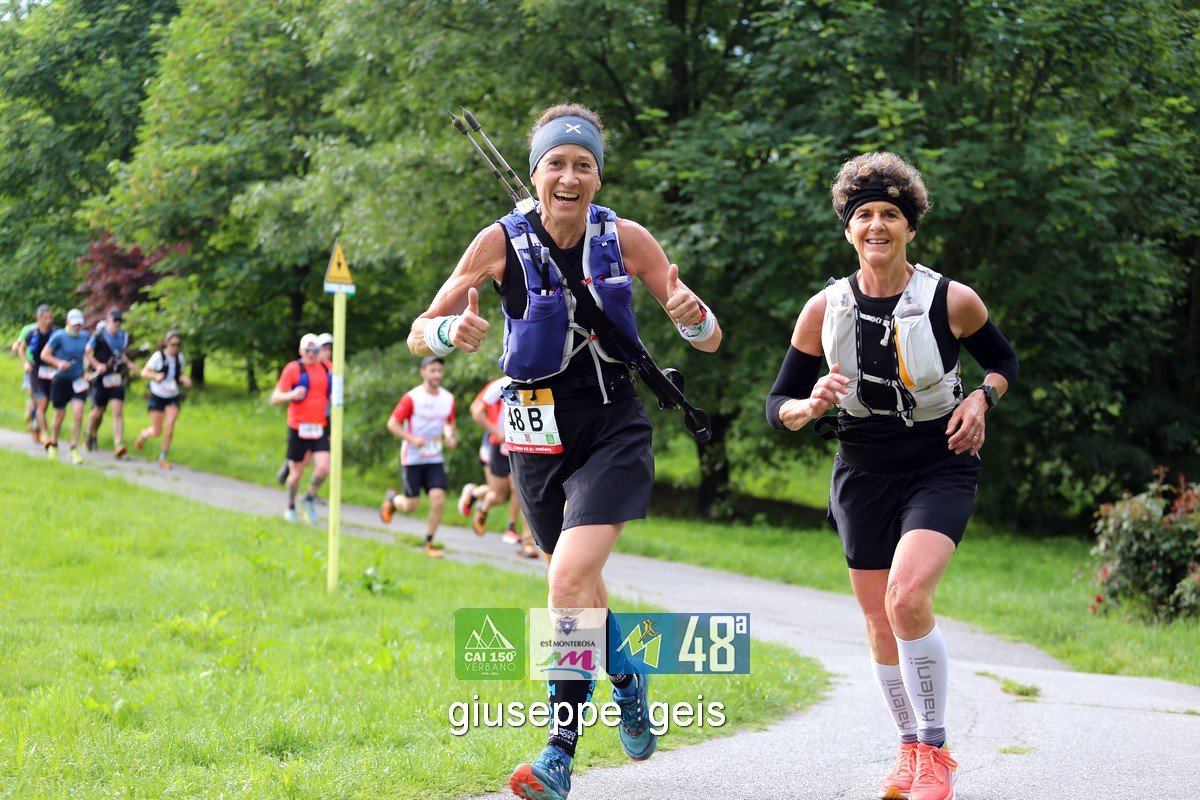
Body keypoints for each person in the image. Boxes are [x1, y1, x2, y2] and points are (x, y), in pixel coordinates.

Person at [406, 104, 721, 800]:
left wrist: (693, 317)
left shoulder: (626, 238)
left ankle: (558, 752)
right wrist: (449, 335)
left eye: (584, 165)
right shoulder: (499, 242)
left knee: (565, 581)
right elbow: (419, 331)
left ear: (598, 177)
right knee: (577, 585)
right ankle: (628, 678)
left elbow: (708, 338)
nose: (570, 177)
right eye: (557, 164)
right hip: (534, 434)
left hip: (612, 425)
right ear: (536, 173)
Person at [765, 152, 1019, 800]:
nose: (877, 225)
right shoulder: (822, 309)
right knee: (880, 621)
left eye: (890, 214)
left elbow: (1003, 362)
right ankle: (907, 750)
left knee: (905, 598)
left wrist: (981, 398)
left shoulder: (951, 300)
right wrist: (809, 406)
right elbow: (778, 405)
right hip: (862, 470)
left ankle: (935, 752)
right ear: (848, 228)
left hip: (940, 463)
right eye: (865, 215)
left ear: (910, 226)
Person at [378, 356, 458, 558]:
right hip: (413, 457)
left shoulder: (448, 399)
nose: (437, 375)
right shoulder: (412, 398)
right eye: (432, 371)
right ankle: (393, 500)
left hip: (434, 457)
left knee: (438, 500)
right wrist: (412, 438)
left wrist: (449, 436)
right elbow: (392, 424)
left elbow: (449, 422)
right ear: (423, 372)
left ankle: (428, 542)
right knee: (410, 505)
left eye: (439, 371)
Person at [457, 375, 540, 559]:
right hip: (499, 445)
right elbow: (476, 410)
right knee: (499, 495)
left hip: (523, 444)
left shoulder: (541, 380)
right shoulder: (501, 384)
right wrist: (496, 432)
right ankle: (477, 498)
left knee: (522, 490)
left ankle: (526, 540)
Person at [269, 333, 332, 524]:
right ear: (301, 351)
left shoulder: (326, 368)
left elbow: (333, 391)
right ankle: (290, 505)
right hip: (298, 427)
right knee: (296, 474)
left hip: (319, 426)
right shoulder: (293, 369)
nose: (311, 354)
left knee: (324, 467)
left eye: (315, 350)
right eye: (308, 350)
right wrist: (292, 395)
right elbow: (275, 397)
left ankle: (309, 497)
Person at [85, 308, 138, 457]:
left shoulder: (123, 336)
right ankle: (88, 433)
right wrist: (97, 365)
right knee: (98, 411)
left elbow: (120, 354)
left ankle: (118, 444)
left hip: (115, 377)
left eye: (119, 321)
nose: (117, 323)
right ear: (108, 320)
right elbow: (87, 352)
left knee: (117, 410)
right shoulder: (99, 336)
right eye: (115, 320)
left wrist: (129, 363)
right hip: (100, 377)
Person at [41, 308, 92, 464]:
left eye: (79, 324)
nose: (77, 327)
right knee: (60, 415)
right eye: (75, 324)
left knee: (78, 414)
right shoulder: (59, 336)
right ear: (68, 322)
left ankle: (73, 449)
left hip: (78, 379)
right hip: (61, 380)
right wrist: (58, 363)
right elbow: (44, 354)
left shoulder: (85, 336)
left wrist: (88, 370)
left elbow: (87, 355)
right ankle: (54, 444)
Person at [136, 330, 192, 469]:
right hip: (157, 394)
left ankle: (163, 458)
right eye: (173, 344)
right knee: (157, 431)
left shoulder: (179, 358)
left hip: (173, 395)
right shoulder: (158, 356)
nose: (175, 347)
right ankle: (144, 433)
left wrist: (184, 378)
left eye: (178, 345)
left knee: (170, 426)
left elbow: (179, 373)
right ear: (167, 343)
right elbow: (144, 372)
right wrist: (155, 376)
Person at [19, 305, 57, 447]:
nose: (48, 321)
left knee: (45, 403)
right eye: (45, 318)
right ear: (38, 318)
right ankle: (45, 434)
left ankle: (35, 422)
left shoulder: (55, 332)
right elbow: (21, 349)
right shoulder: (32, 333)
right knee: (42, 402)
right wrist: (25, 363)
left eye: (50, 318)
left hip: (50, 371)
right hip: (35, 371)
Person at [11, 313, 42, 445]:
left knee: (40, 399)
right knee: (34, 396)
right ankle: (33, 420)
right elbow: (18, 343)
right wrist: (16, 347)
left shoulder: (50, 330)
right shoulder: (29, 329)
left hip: (43, 367)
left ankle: (33, 416)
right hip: (30, 367)